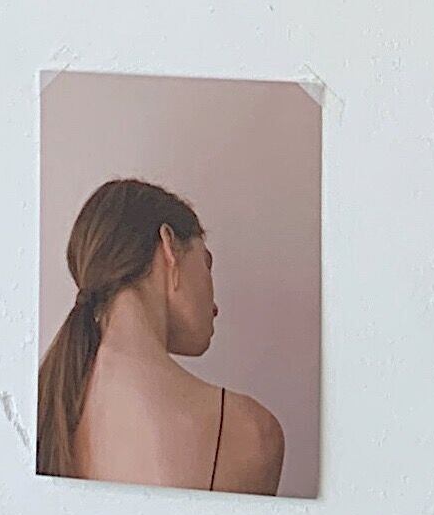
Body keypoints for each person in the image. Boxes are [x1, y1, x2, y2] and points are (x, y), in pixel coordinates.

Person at [36, 176, 285, 494]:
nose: (216, 305)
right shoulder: (249, 433)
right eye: (207, 263)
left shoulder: (47, 413)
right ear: (169, 247)